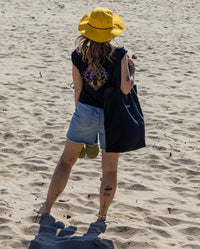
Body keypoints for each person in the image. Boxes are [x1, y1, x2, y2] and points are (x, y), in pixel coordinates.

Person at [34, 7, 135, 221]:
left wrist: (82, 121)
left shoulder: (77, 55)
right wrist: (131, 71)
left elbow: (78, 92)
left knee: (65, 162)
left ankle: (47, 207)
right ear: (111, 31)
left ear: (87, 30)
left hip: (85, 112)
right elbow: (126, 88)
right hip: (111, 117)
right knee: (109, 170)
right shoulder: (120, 54)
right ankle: (101, 215)